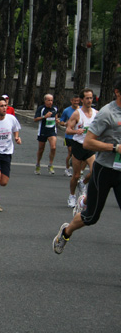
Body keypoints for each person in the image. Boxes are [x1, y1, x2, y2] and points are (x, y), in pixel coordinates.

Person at [52, 77, 121, 254]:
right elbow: (88, 143)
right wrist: (114, 147)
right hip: (104, 170)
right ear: (117, 92)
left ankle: (84, 198)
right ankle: (66, 232)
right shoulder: (107, 113)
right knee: (91, 217)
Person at [65, 88, 98, 209]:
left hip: (90, 146)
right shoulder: (77, 113)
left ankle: (83, 183)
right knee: (76, 175)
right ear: (82, 100)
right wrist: (76, 131)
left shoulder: (96, 113)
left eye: (91, 98)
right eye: (87, 98)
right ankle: (72, 195)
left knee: (95, 171)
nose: (90, 100)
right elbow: (68, 129)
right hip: (78, 146)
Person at [34, 94, 59, 175]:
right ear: (45, 101)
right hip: (43, 131)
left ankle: (50, 165)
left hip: (52, 131)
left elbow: (56, 117)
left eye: (51, 100)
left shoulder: (55, 108)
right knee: (41, 149)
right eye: (48, 100)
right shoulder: (41, 109)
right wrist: (44, 117)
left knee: (53, 147)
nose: (50, 102)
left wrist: (57, 120)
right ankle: (38, 164)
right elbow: (35, 119)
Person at [58, 94, 80, 177]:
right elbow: (61, 121)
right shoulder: (67, 110)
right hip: (69, 135)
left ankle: (78, 170)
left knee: (77, 153)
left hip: (78, 135)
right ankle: (67, 169)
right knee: (70, 152)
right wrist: (65, 124)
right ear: (71, 101)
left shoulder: (81, 110)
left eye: (78, 101)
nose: (76, 102)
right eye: (75, 101)